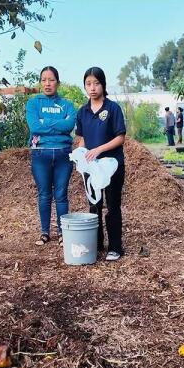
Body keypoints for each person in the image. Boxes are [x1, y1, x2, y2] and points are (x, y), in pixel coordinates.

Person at [75, 67, 127, 261]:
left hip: (112, 165)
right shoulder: (83, 111)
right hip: (92, 167)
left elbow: (120, 137)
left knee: (113, 205)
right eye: (88, 84)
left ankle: (115, 247)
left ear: (103, 85)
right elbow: (82, 139)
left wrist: (99, 149)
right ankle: (96, 244)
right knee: (94, 204)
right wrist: (81, 154)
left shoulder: (113, 109)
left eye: (96, 83)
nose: (92, 88)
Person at [25, 66, 76, 246]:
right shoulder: (33, 103)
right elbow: (34, 127)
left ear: (58, 82)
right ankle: (45, 232)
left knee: (61, 194)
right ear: (40, 83)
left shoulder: (67, 104)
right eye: (44, 80)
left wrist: (45, 122)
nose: (47, 83)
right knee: (44, 194)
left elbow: (69, 125)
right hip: (40, 154)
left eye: (51, 80)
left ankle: (63, 232)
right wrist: (58, 125)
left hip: (63, 154)